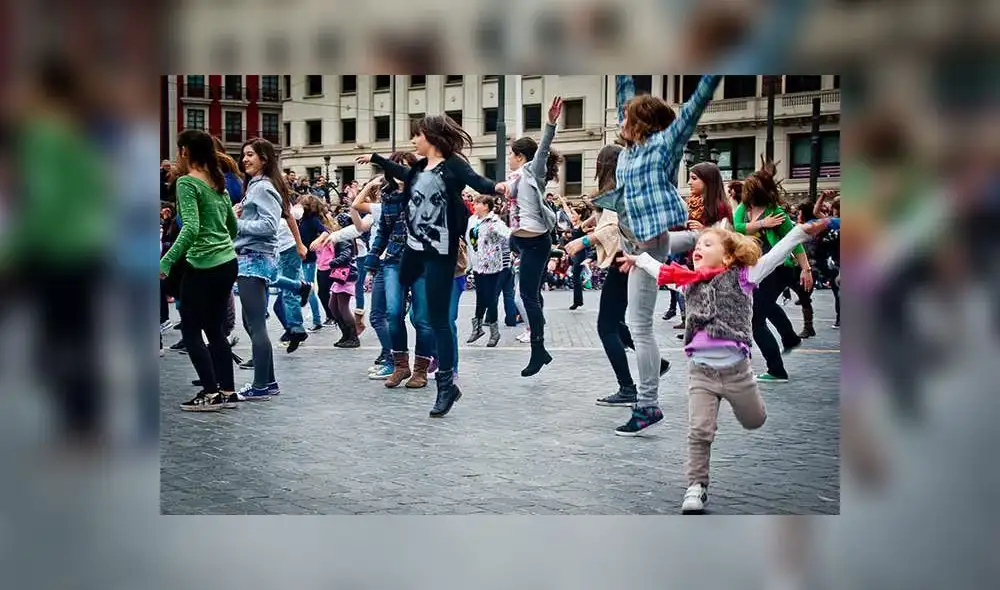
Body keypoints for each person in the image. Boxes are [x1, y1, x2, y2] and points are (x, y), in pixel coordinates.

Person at [620, 218, 830, 513]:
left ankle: (746, 401)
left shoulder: (745, 276)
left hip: (738, 373)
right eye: (697, 244)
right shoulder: (688, 282)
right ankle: (696, 487)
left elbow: (775, 255)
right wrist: (639, 259)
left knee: (754, 420)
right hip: (701, 374)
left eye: (707, 244)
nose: (697, 248)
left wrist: (800, 233)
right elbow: (662, 271)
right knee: (699, 431)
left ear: (728, 256)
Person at [594, 74, 721, 436]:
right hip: (637, 242)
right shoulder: (629, 152)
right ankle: (704, 237)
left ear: (641, 123)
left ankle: (647, 404)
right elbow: (624, 92)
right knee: (638, 323)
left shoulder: (664, 145)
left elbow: (695, 104)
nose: (620, 121)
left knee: (640, 326)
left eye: (627, 117)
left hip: (647, 247)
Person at [356, 113, 505, 418]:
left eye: (417, 135)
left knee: (435, 321)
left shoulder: (452, 165)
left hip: (438, 253)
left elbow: (477, 182)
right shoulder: (421, 168)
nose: (414, 140)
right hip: (411, 252)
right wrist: (376, 158)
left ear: (432, 137)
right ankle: (406, 365)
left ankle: (446, 383)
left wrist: (501, 188)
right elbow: (401, 172)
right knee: (398, 313)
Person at [564, 144, 676, 407]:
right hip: (629, 261)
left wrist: (586, 241)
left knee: (607, 326)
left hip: (623, 262)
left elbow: (615, 227)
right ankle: (656, 365)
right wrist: (593, 223)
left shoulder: (618, 189)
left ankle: (627, 387)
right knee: (619, 323)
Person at [159, 129, 239, 411]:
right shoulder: (218, 181)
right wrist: (219, 242)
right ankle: (227, 391)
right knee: (215, 330)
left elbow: (191, 227)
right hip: (227, 262)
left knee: (192, 330)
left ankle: (210, 392)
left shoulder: (187, 183)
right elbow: (233, 226)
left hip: (202, 265)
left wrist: (166, 261)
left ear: (184, 151)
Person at [733, 162, 813, 382]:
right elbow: (734, 227)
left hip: (778, 269)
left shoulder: (776, 212)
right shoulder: (744, 209)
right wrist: (761, 225)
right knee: (765, 308)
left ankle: (776, 369)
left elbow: (794, 242)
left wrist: (806, 268)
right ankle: (789, 339)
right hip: (756, 268)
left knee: (756, 319)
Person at [364, 151, 437, 388]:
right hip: (394, 260)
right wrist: (372, 260)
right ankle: (401, 366)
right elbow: (383, 231)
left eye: (405, 169)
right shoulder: (387, 196)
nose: (400, 174)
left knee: (423, 320)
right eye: (396, 169)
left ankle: (421, 370)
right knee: (393, 314)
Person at [505, 96, 564, 377]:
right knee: (530, 295)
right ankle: (540, 350)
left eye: (511, 153)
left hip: (536, 242)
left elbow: (542, 149)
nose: (508, 157)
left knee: (526, 296)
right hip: (523, 242)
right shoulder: (515, 177)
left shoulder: (533, 171)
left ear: (520, 156)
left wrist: (550, 122)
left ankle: (538, 350)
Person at [232, 137, 294, 400]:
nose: (245, 159)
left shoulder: (263, 187)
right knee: (251, 322)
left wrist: (236, 223)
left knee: (256, 325)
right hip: (251, 258)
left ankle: (260, 385)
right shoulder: (256, 186)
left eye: (251, 155)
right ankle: (268, 382)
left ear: (264, 159)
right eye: (244, 155)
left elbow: (269, 226)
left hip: (254, 259)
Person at [465, 194, 511, 347]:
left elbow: (508, 236)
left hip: (492, 265)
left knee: (491, 298)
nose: (475, 205)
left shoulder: (495, 222)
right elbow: (469, 241)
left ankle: (494, 331)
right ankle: (477, 328)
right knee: (480, 297)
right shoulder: (473, 220)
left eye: (478, 203)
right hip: (478, 264)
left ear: (486, 206)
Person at [325, 212, 361, 348]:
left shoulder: (344, 238)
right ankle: (345, 334)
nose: (334, 224)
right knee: (333, 306)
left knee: (342, 307)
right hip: (341, 275)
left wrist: (331, 262)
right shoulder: (343, 237)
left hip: (345, 274)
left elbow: (345, 256)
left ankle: (353, 337)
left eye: (336, 222)